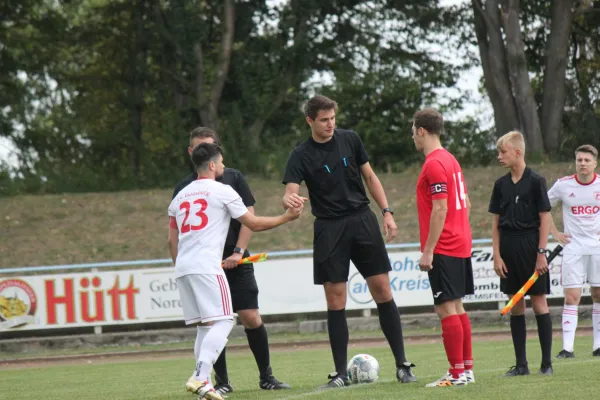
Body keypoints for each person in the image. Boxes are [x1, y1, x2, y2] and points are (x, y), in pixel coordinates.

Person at [281, 95, 417, 388]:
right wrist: (288, 199)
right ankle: (340, 374)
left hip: (362, 220)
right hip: (329, 229)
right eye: (323, 120)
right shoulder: (300, 154)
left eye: (333, 119)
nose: (330, 124)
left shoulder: (350, 139)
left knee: (382, 291)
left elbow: (370, 177)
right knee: (336, 301)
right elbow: (290, 191)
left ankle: (403, 365)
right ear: (310, 121)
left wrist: (387, 213)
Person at [168, 143, 303, 400]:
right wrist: (286, 218)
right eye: (220, 163)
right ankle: (199, 377)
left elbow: (171, 238)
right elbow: (252, 223)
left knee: (204, 328)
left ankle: (205, 383)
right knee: (225, 320)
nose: (223, 167)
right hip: (208, 265)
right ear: (211, 165)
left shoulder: (180, 196)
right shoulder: (222, 190)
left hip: (184, 266)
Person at [412, 108, 475, 387]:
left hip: (445, 246)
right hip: (460, 241)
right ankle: (466, 370)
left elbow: (440, 209)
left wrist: (429, 250)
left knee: (445, 309)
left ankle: (456, 374)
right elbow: (467, 204)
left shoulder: (434, 163)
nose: (412, 137)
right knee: (457, 307)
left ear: (421, 131)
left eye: (413, 131)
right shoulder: (451, 160)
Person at [488, 131, 554, 376]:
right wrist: (496, 254)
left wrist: (541, 252)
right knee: (516, 304)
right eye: (498, 152)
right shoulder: (500, 185)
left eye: (503, 152)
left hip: (531, 245)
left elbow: (545, 217)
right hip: (508, 247)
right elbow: (495, 223)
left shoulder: (536, 181)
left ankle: (546, 364)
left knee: (538, 302)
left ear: (518, 152)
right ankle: (521, 365)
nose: (499, 156)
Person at [547, 144, 600, 358]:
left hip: (597, 249)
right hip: (573, 248)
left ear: (595, 163)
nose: (583, 164)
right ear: (575, 162)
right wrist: (554, 232)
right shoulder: (562, 185)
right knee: (572, 296)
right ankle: (567, 348)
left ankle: (598, 346)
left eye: (587, 160)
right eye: (580, 160)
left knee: (598, 295)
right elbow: (542, 207)